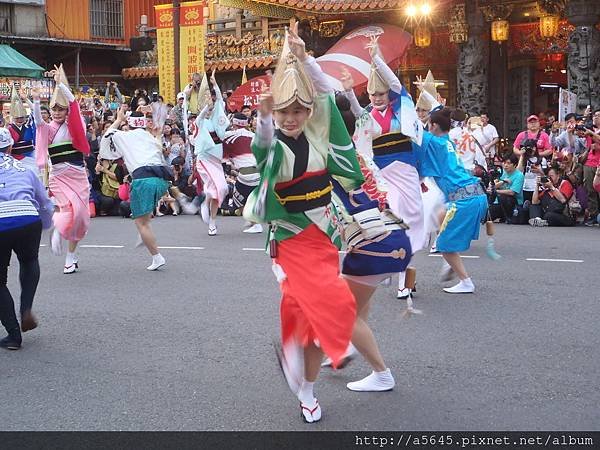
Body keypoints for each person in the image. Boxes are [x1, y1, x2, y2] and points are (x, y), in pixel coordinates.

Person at [244, 24, 364, 423]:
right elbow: (262, 148)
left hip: (323, 232)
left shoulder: (317, 136)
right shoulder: (274, 143)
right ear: (275, 112)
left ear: (308, 112)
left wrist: (306, 56)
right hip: (291, 237)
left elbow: (328, 96)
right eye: (284, 111)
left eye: (298, 110)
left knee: (313, 310)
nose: (291, 118)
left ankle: (305, 382)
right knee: (318, 301)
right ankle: (332, 346)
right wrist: (263, 118)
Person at [341, 36, 426, 300]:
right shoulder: (369, 114)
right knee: (390, 220)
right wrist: (347, 91)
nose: (377, 98)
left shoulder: (401, 107)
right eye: (372, 94)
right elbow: (358, 114)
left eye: (380, 94)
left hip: (405, 169)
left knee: (411, 219)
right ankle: (398, 273)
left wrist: (376, 57)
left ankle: (405, 275)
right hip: (381, 175)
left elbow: (394, 83)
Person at [415, 107, 488, 293]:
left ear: (434, 125)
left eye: (429, 123)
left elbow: (413, 132)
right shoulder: (447, 142)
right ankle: (451, 261)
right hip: (475, 194)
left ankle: (465, 281)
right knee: (440, 214)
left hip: (463, 199)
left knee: (443, 245)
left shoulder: (431, 140)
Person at [32, 65, 91, 274]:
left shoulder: (75, 126)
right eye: (54, 109)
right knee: (67, 210)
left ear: (67, 110)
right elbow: (38, 121)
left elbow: (74, 102)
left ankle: (71, 256)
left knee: (81, 216)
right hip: (59, 177)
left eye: (60, 109)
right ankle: (57, 230)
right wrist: (37, 101)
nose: (57, 113)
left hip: (77, 175)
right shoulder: (48, 129)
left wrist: (60, 84)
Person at [0, 129, 54, 350]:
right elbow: (44, 202)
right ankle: (26, 309)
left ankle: (13, 335)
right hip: (27, 217)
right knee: (29, 261)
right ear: (11, 147)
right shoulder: (26, 168)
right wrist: (46, 224)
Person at [100, 108, 169, 270]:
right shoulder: (149, 136)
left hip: (143, 180)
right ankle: (144, 235)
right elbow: (158, 149)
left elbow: (106, 137)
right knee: (144, 219)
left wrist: (117, 120)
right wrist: (157, 134)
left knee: (140, 223)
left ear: (128, 124)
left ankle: (157, 257)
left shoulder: (123, 135)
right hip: (162, 180)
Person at [194, 70, 230, 236]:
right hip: (203, 159)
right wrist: (204, 110)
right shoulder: (200, 121)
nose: (210, 109)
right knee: (214, 189)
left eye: (211, 106)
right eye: (206, 107)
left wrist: (214, 84)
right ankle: (210, 221)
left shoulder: (217, 118)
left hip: (216, 159)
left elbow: (221, 102)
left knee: (221, 189)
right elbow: (197, 121)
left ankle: (211, 216)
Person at [222, 113, 262, 233]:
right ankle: (252, 220)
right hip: (258, 173)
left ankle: (256, 224)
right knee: (244, 198)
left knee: (238, 199)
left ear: (234, 123)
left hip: (247, 175)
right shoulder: (254, 136)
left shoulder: (228, 136)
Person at [514, 115, 552, 203]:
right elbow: (515, 148)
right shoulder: (522, 135)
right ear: (527, 124)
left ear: (539, 123)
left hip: (540, 161)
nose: (533, 124)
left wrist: (536, 155)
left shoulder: (544, 135)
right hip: (524, 160)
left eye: (535, 122)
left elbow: (550, 150)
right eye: (531, 122)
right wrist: (522, 154)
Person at [7, 85, 38, 174]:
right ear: (13, 118)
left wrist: (26, 99)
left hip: (31, 157)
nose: (20, 120)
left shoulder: (29, 125)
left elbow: (35, 111)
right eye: (17, 118)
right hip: (14, 159)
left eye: (22, 118)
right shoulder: (8, 129)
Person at [488, 154, 525, 223]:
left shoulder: (519, 175)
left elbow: (512, 192)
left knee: (504, 197)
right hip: (498, 201)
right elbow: (491, 186)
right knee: (487, 216)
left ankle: (508, 216)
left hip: (513, 202)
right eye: (504, 163)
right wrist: (502, 182)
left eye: (508, 163)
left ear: (515, 165)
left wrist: (496, 191)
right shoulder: (501, 172)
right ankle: (501, 215)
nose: (505, 165)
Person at [580, 110, 600, 226]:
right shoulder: (590, 129)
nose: (596, 117)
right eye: (595, 115)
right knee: (590, 189)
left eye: (598, 116)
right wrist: (585, 115)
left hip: (599, 163)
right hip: (589, 162)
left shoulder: (592, 132)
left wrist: (591, 134)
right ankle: (593, 214)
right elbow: (578, 129)